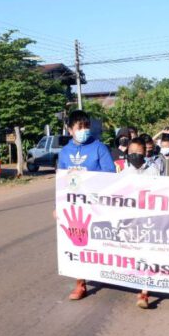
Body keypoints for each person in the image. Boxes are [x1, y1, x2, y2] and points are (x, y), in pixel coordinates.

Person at [58, 109, 117, 301]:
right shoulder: (65, 152)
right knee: (77, 242)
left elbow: (110, 174)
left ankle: (109, 271)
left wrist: (89, 180)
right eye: (79, 127)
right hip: (75, 206)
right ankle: (80, 284)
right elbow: (61, 182)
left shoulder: (99, 148)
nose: (83, 130)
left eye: (86, 126)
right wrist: (59, 206)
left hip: (97, 204)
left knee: (100, 241)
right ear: (70, 130)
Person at [121, 137, 160, 310]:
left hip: (149, 220)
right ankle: (138, 284)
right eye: (132, 152)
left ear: (145, 152)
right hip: (130, 221)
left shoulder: (153, 171)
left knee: (148, 256)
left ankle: (145, 292)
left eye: (138, 152)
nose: (135, 155)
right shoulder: (123, 173)